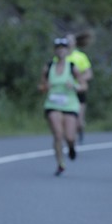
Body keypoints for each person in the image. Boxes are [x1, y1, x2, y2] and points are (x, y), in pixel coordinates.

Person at [39, 37, 87, 176]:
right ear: (54, 50)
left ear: (67, 50)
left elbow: (84, 85)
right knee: (58, 134)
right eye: (58, 48)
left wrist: (75, 86)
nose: (61, 50)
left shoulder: (72, 67)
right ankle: (60, 163)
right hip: (53, 104)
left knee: (70, 137)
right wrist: (44, 87)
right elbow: (41, 86)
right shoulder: (48, 67)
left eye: (63, 48)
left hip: (70, 105)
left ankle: (71, 147)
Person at [66, 32, 94, 143]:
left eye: (71, 40)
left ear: (75, 42)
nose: (68, 43)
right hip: (65, 92)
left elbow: (89, 74)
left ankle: (80, 129)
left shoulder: (80, 57)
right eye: (67, 40)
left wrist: (78, 80)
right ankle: (69, 140)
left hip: (78, 90)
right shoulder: (60, 57)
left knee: (79, 121)